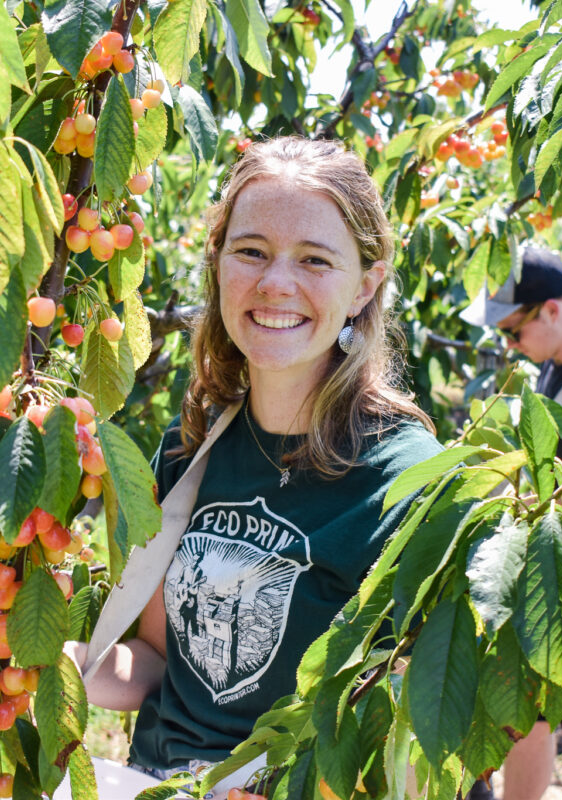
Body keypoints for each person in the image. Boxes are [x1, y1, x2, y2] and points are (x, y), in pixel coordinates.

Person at [62, 136, 441, 796]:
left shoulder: (408, 480)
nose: (275, 283)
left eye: (315, 259)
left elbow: (413, 733)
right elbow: (156, 660)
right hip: (151, 781)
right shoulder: (193, 445)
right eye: (252, 252)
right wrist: (58, 668)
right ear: (218, 265)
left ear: (364, 287)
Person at [460, 248, 562, 800]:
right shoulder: (557, 368)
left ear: (551, 310)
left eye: (513, 331)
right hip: (546, 583)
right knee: (529, 722)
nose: (510, 345)